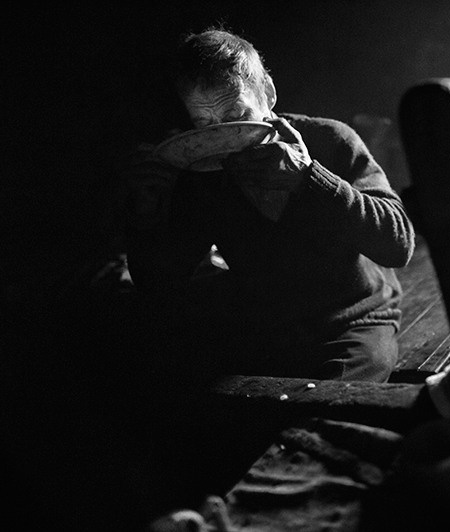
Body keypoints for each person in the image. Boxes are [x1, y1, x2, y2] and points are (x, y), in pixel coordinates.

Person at [121, 27, 415, 384]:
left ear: (269, 94)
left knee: (333, 401)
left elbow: (398, 244)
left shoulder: (329, 140)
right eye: (204, 123)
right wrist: (146, 212)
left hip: (353, 317)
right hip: (268, 322)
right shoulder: (203, 168)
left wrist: (309, 176)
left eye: (235, 115)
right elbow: (158, 282)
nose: (221, 136)